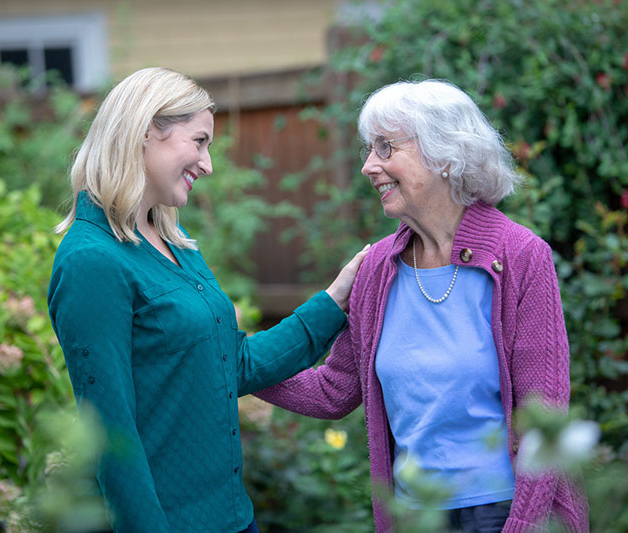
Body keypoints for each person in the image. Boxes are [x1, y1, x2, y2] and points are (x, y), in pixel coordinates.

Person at [255, 79, 589, 533]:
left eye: (386, 148)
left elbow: (542, 419)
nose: (369, 166)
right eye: (368, 150)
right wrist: (233, 364)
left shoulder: (519, 256)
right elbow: (333, 391)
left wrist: (522, 527)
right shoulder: (377, 269)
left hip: (502, 511)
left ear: (446, 156)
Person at [46, 67, 369, 533]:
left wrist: (334, 302)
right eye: (199, 141)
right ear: (144, 132)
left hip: (234, 518)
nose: (207, 163)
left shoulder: (174, 243)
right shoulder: (91, 262)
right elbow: (109, 433)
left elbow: (229, 365)